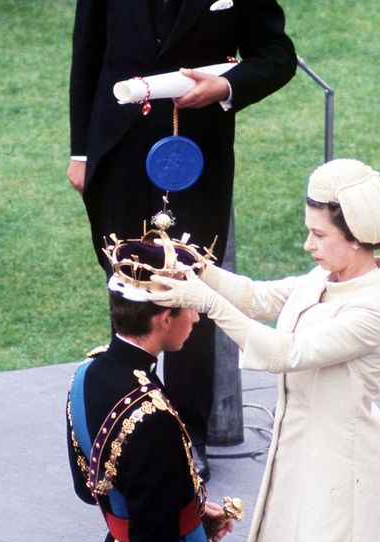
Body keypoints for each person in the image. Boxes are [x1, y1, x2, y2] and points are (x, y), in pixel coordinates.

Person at [146, 159, 380, 542]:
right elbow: (259, 297)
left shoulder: (374, 308)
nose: (309, 245)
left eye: (319, 235)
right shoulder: (326, 278)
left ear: (355, 235)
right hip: (301, 455)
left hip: (341, 467)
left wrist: (204, 299)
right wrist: (200, 268)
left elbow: (286, 352)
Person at [67, 0, 297, 480]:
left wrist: (227, 86)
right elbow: (87, 52)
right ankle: (121, 418)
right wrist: (82, 152)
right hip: (118, 150)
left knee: (194, 282)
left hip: (195, 156)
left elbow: (276, 54)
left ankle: (187, 433)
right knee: (128, 282)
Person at [66, 223, 236, 542]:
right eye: (189, 307)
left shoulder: (86, 373)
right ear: (164, 318)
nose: (196, 317)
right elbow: (154, 539)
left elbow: (89, 488)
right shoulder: (152, 415)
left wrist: (189, 509)